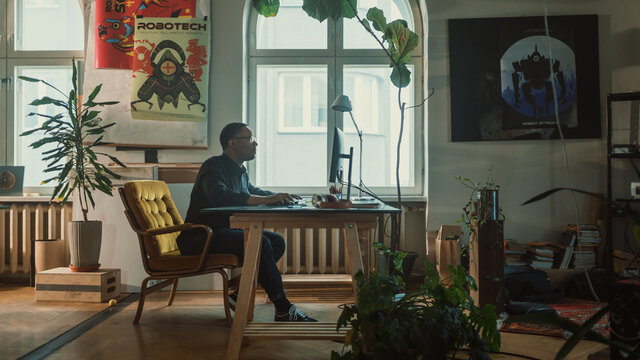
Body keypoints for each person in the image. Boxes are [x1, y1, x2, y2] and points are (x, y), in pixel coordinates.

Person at [176, 122, 317, 322]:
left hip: (220, 233)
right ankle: (283, 307)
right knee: (261, 242)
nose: (255, 144)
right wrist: (266, 200)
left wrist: (278, 196)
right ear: (233, 143)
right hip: (201, 237)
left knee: (277, 241)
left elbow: (251, 191)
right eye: (249, 139)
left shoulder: (239, 170)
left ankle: (238, 295)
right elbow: (219, 196)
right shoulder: (213, 165)